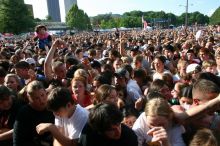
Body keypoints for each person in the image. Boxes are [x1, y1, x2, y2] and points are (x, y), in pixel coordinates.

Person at [13, 81, 54, 146]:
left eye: (42, 95)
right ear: (29, 98)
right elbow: (18, 140)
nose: (41, 100)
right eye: (36, 98)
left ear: (46, 92)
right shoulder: (24, 113)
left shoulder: (53, 107)